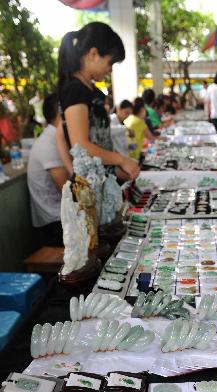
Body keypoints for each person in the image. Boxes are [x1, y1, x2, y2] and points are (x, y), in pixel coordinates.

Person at [57, 21, 139, 181]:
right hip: (91, 190)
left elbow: (63, 134)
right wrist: (121, 159)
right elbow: (81, 146)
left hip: (102, 180)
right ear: (93, 54)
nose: (111, 69)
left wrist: (116, 169)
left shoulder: (90, 90)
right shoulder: (75, 90)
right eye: (110, 62)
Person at [27, 93, 69, 246]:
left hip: (61, 217)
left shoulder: (56, 137)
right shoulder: (48, 143)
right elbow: (66, 189)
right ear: (60, 113)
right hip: (54, 222)